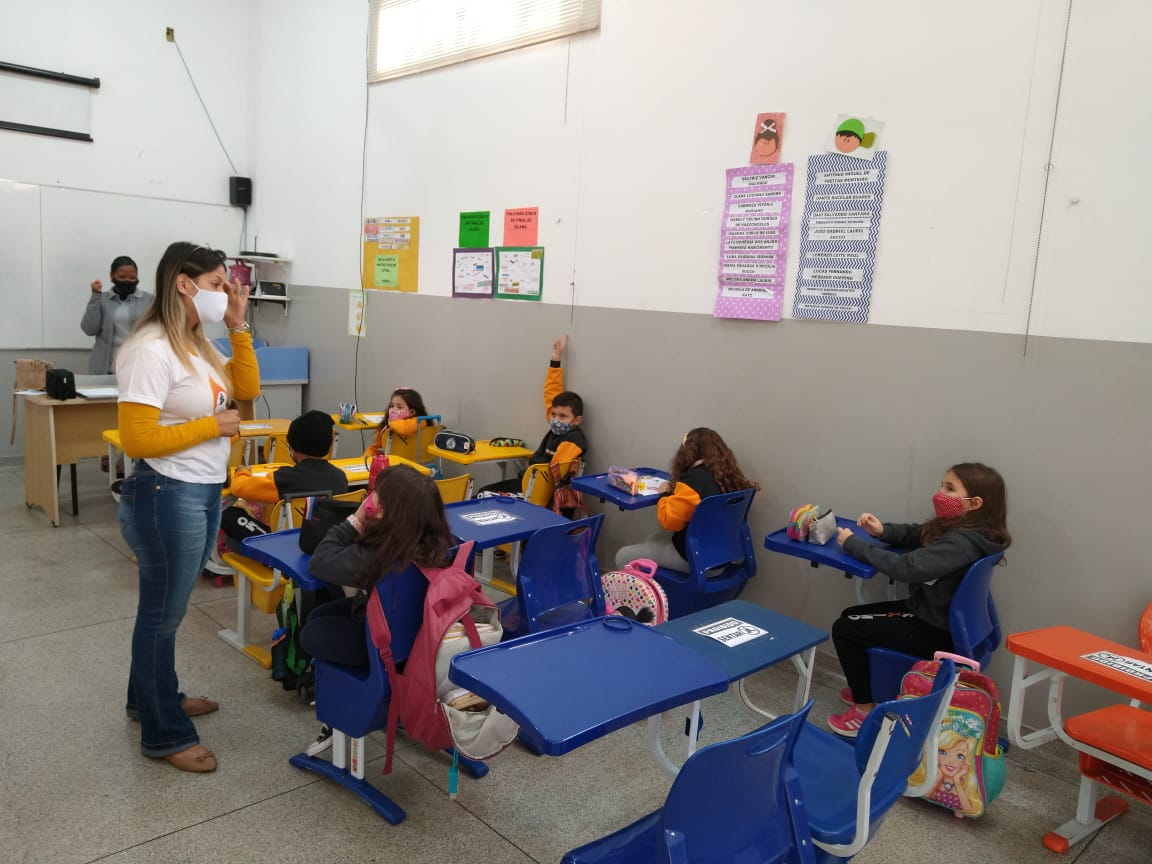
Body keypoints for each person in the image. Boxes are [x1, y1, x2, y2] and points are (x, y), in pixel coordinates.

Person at [116, 242, 259, 773]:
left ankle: (147, 701)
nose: (225, 293)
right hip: (163, 493)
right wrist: (211, 426)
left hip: (199, 488)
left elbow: (246, 389)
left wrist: (239, 326)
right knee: (162, 617)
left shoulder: (196, 345)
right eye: (219, 283)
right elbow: (136, 439)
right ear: (184, 283)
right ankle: (164, 733)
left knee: (162, 614)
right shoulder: (150, 349)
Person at [826, 462, 1011, 737]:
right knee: (851, 614)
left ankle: (863, 711)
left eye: (950, 488)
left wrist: (855, 544)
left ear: (974, 503)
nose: (940, 493)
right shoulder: (972, 533)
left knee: (845, 629)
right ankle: (864, 685)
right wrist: (883, 531)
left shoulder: (960, 544)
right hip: (941, 619)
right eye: (942, 485)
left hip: (933, 629)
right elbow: (921, 534)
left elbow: (907, 567)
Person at [300, 464, 455, 754]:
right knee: (321, 614)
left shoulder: (378, 555)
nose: (370, 499)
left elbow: (320, 562)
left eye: (376, 496)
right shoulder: (440, 543)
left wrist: (357, 519)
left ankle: (345, 711)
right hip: (421, 637)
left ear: (388, 511)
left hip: (385, 647)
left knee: (310, 635)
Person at [615, 427, 758, 570]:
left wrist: (664, 494)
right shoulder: (730, 477)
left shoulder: (693, 481)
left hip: (699, 560)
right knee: (653, 539)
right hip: (727, 555)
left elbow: (669, 522)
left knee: (623, 556)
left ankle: (652, 592)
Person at [221, 410, 348, 553]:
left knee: (229, 515)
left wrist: (242, 471)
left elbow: (240, 488)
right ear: (329, 445)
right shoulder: (340, 477)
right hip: (325, 546)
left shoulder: (286, 479)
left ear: (292, 446)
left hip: (283, 550)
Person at [477, 335, 587, 497]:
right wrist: (555, 360)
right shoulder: (561, 428)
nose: (556, 420)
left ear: (577, 420)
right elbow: (552, 392)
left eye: (562, 417)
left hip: (536, 493)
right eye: (554, 415)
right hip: (528, 484)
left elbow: (554, 474)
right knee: (483, 491)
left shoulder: (572, 441)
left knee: (483, 495)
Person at [82, 255, 154, 374]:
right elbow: (89, 329)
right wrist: (95, 295)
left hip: (138, 366)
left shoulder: (149, 300)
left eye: (132, 277)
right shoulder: (102, 299)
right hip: (105, 366)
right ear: (112, 276)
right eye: (122, 277)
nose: (127, 280)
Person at [362, 387, 435, 460]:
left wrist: (391, 421)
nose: (393, 410)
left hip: (404, 465)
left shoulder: (421, 421)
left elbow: (404, 428)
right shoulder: (385, 427)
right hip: (387, 463)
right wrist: (367, 456)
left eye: (399, 407)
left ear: (411, 412)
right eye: (392, 406)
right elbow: (376, 447)